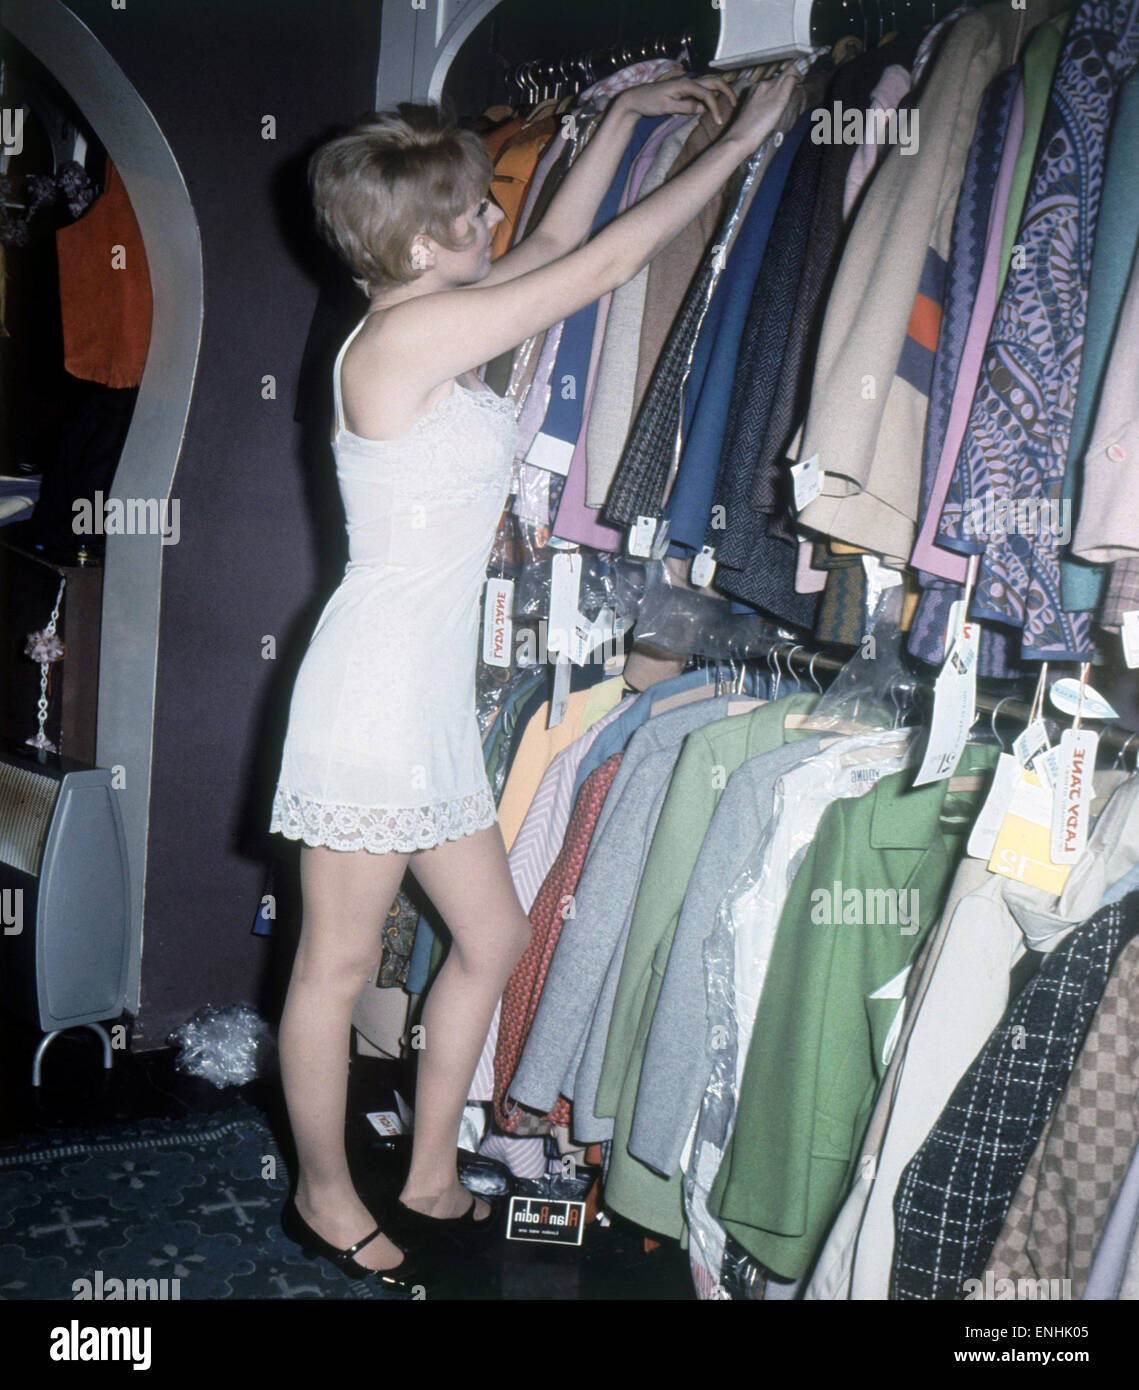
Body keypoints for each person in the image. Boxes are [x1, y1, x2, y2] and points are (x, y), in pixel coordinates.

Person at [270, 68, 797, 1289]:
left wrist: (622, 123)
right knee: (333, 965)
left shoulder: (424, 314)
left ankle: (430, 1170)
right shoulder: (402, 338)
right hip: (368, 699)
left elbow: (563, 236)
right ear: (415, 238)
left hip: (416, 697)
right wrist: (751, 143)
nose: (489, 223)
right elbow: (601, 269)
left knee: (493, 932)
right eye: (467, 211)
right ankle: (322, 1191)